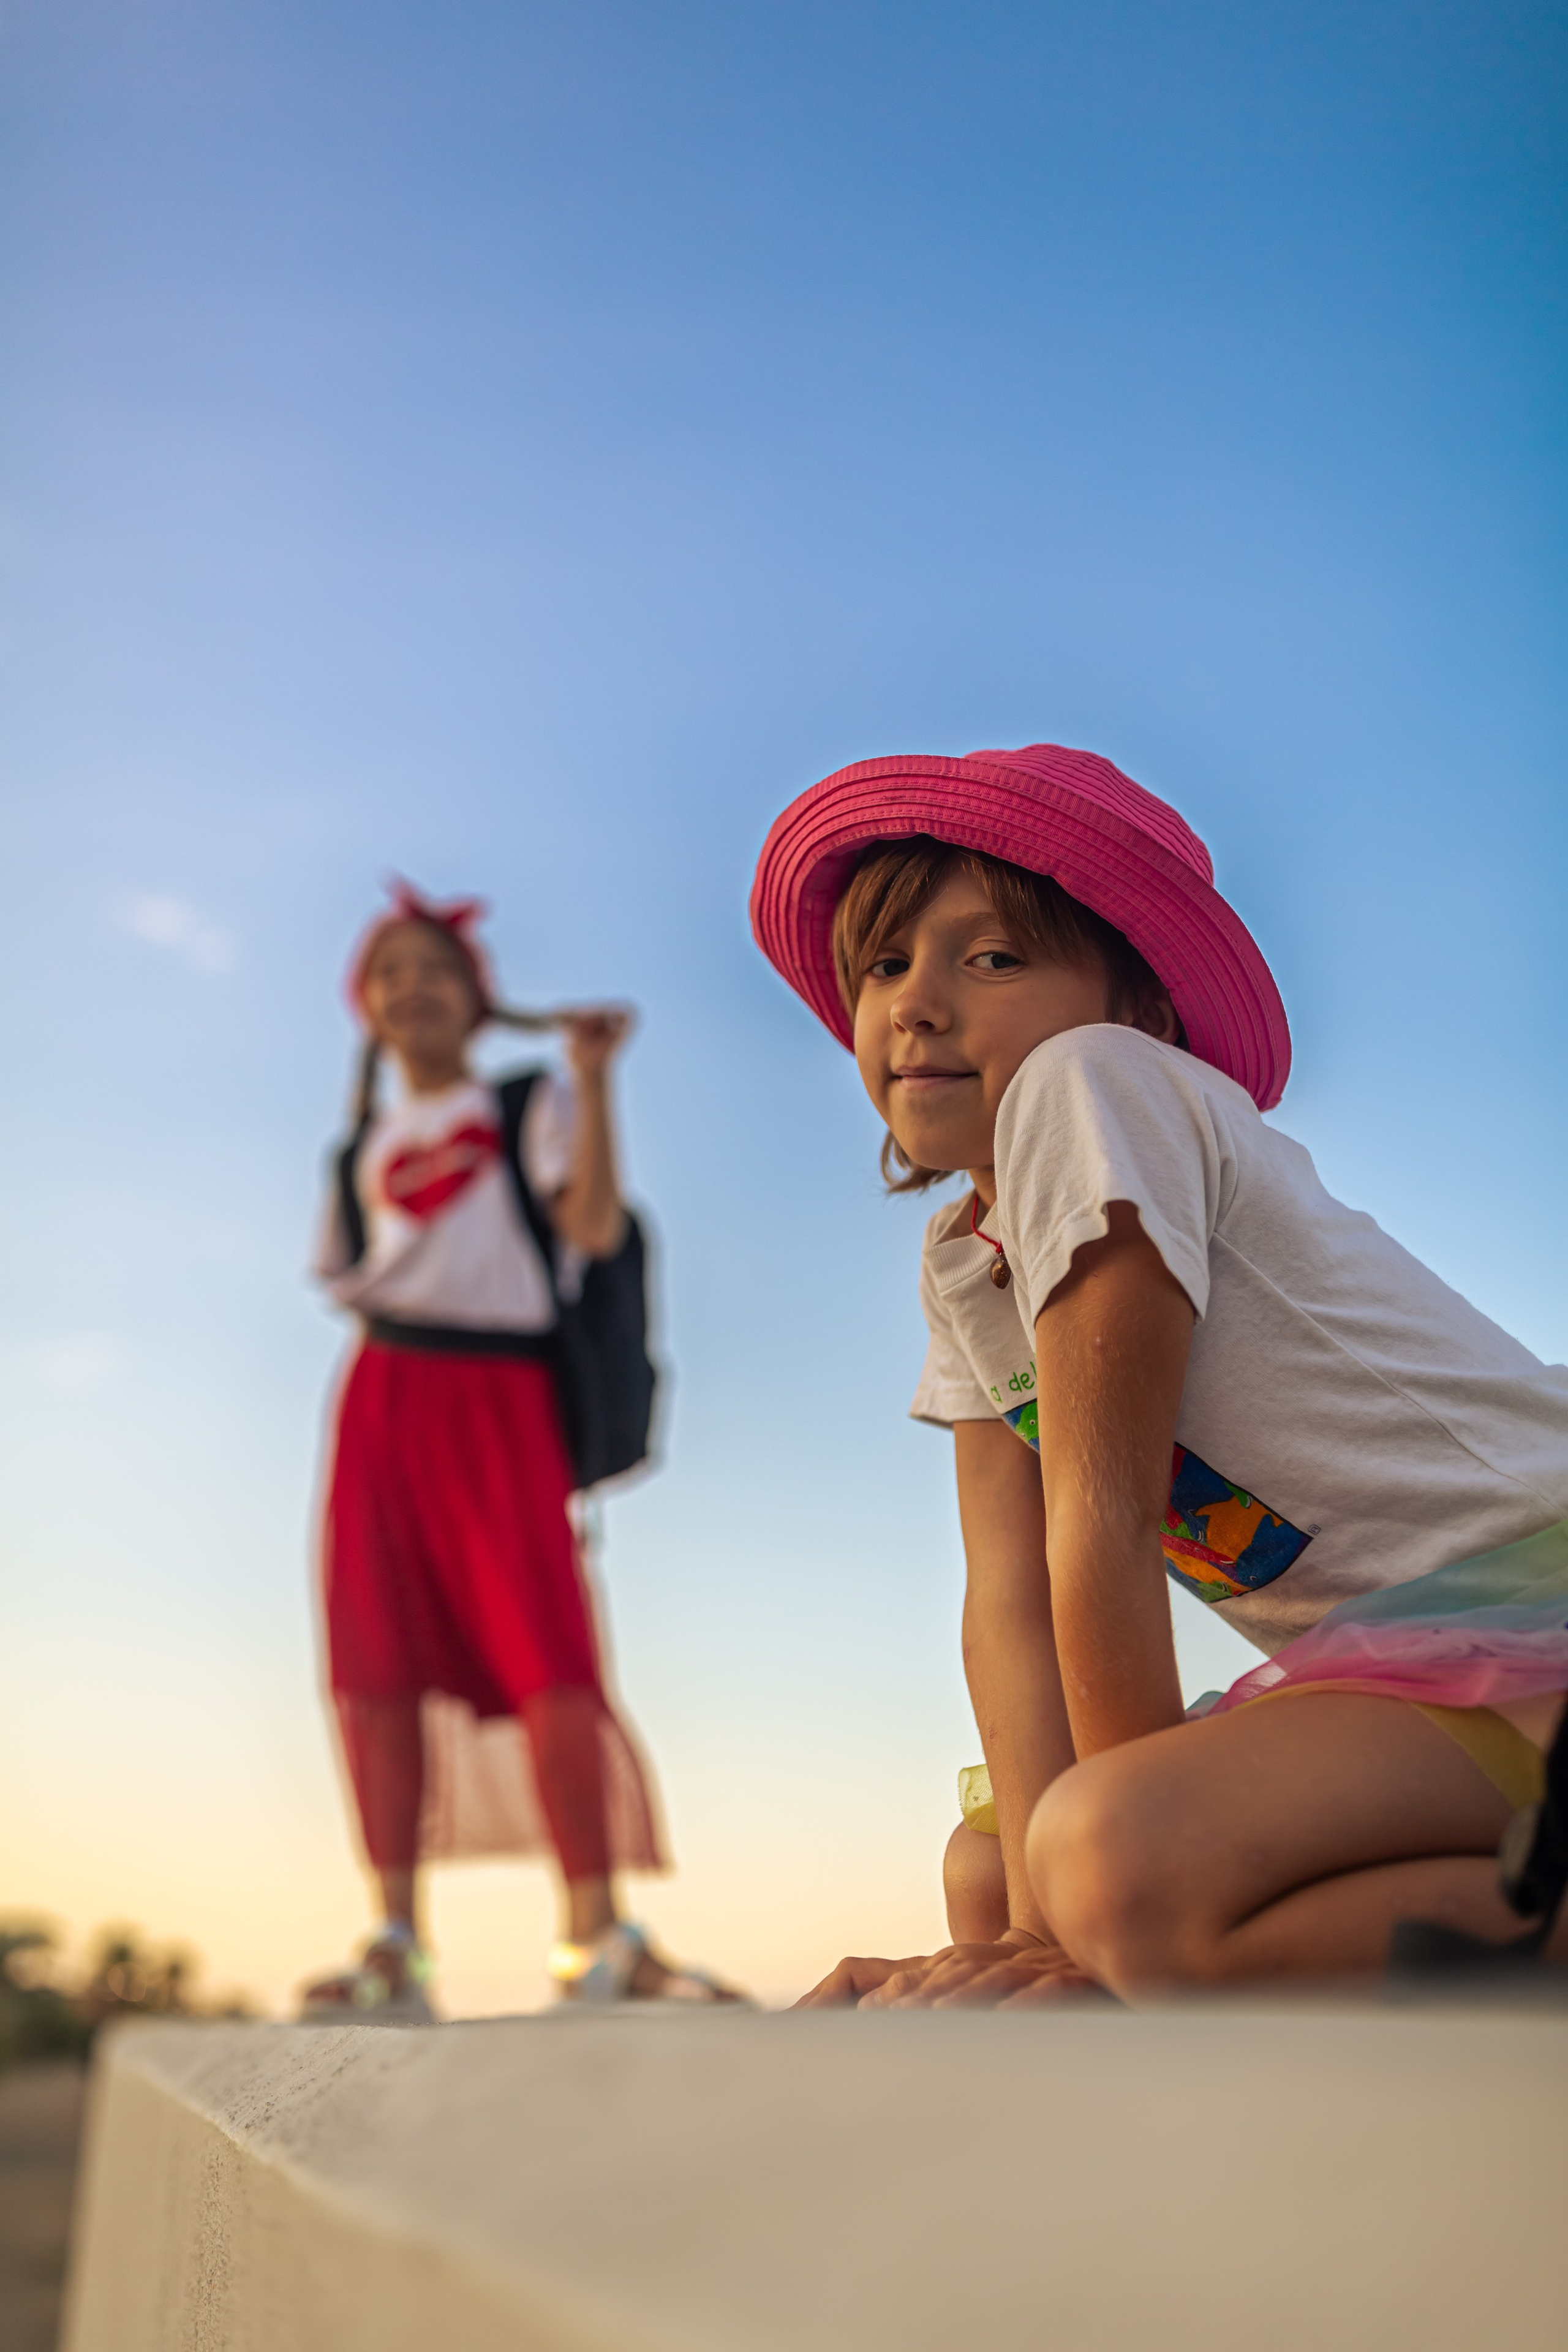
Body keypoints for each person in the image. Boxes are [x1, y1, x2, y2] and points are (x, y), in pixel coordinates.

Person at [748, 743, 1568, 2005]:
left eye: (992, 958)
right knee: (991, 1870)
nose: (914, 1002)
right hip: (1390, 1668)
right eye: (885, 964)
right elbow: (1007, 1597)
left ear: (1136, 1010)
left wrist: (1082, 1932)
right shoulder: (964, 1262)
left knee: (1113, 1868)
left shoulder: (1095, 1082)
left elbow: (1105, 1517)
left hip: (1530, 1599)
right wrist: (1031, 1930)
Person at [303, 883, 738, 2016]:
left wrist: (594, 1081)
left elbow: (592, 1229)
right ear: (369, 1007)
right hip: (384, 1399)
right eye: (391, 970)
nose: (414, 986)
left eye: (436, 966)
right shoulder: (358, 1149)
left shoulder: (528, 1103)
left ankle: (593, 1937)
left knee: (551, 1655)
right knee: (374, 1660)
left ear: (479, 998)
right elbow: (350, 1283)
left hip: (502, 1401)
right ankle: (397, 1940)